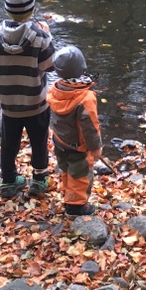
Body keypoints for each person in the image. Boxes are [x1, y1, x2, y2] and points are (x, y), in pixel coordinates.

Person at [0, 0, 56, 198]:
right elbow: (50, 65)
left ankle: (8, 181)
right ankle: (39, 179)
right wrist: (49, 35)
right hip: (36, 102)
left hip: (9, 103)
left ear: (7, 10)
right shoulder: (40, 37)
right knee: (38, 141)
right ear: (32, 9)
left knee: (9, 143)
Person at [47, 45, 102, 216]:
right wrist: (95, 148)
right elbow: (90, 127)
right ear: (82, 67)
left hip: (60, 140)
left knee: (65, 167)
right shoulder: (85, 98)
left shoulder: (55, 89)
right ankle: (76, 207)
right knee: (80, 174)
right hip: (78, 146)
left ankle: (67, 192)